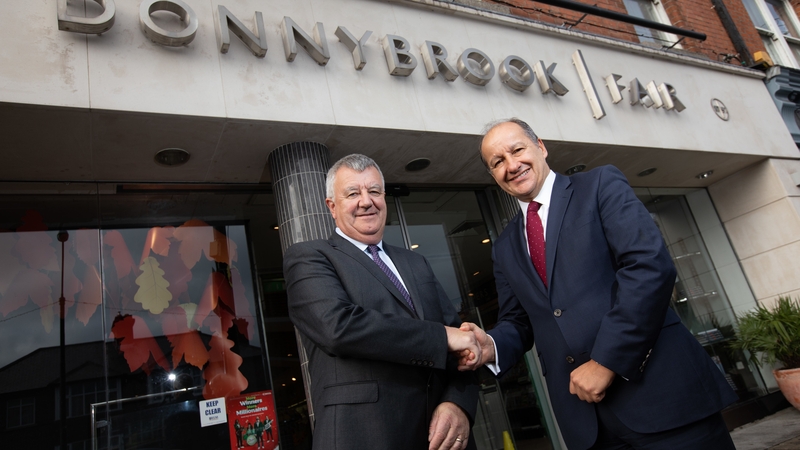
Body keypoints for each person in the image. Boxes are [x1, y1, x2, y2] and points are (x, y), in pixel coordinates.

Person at [457, 118, 738, 449]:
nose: (511, 165)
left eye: (517, 150)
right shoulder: (505, 246)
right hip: (588, 426)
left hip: (664, 400)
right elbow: (518, 321)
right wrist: (491, 345)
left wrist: (607, 361)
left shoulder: (600, 184)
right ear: (493, 176)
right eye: (498, 162)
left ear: (541, 147)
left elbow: (649, 268)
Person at [284, 154, 480, 450]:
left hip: (442, 439)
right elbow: (338, 327)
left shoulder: (416, 263)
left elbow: (463, 348)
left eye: (374, 191)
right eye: (353, 193)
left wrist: (459, 404)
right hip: (365, 436)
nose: (366, 201)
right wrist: (441, 337)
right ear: (332, 207)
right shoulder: (309, 257)